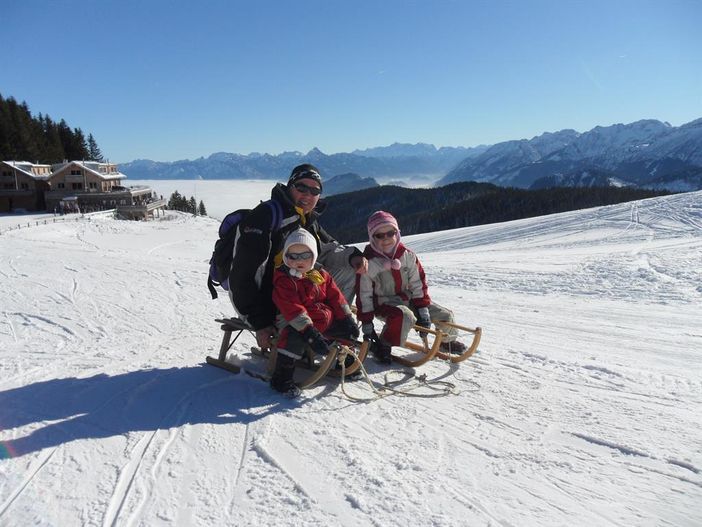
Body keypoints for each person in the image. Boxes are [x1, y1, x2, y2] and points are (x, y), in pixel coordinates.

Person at [229, 164, 367, 352]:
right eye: (301, 187)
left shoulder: (307, 219)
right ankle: (295, 337)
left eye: (314, 190)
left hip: (299, 291)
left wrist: (353, 257)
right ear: (289, 186)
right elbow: (243, 276)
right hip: (272, 300)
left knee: (349, 266)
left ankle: (328, 325)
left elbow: (327, 250)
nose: (307, 195)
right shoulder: (265, 217)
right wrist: (260, 322)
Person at [355, 211, 467, 363]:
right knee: (405, 317)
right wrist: (367, 323)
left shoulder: (407, 256)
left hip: (408, 299)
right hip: (383, 304)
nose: (386, 238)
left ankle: (446, 342)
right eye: (379, 235)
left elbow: (418, 282)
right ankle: (384, 343)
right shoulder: (369, 263)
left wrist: (423, 309)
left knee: (445, 315)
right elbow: (364, 294)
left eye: (390, 233)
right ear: (372, 237)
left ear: (397, 233)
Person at [270, 229, 360, 396]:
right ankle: (282, 378)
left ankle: (345, 363)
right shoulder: (284, 280)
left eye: (305, 255)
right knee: (292, 339)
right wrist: (309, 332)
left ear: (314, 256)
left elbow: (336, 297)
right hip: (294, 321)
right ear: (285, 257)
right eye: (292, 256)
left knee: (345, 331)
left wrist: (347, 318)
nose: (298, 261)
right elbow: (293, 308)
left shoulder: (320, 274)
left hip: (321, 320)